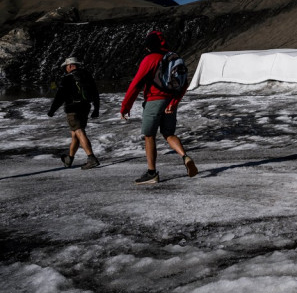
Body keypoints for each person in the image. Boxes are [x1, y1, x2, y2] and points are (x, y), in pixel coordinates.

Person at [120, 30, 197, 184]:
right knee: (168, 134)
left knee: (149, 136)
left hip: (154, 101)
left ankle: (152, 173)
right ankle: (185, 156)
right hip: (170, 101)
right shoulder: (173, 58)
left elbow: (136, 84)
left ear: (149, 45)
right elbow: (184, 85)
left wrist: (125, 106)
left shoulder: (151, 59)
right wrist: (174, 102)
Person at [48, 57, 101, 170]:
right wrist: (96, 109)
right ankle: (69, 159)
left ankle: (91, 158)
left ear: (71, 66)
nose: (66, 69)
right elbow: (95, 93)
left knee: (79, 131)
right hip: (85, 107)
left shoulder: (68, 78)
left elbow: (60, 96)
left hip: (73, 109)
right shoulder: (87, 75)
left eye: (66, 67)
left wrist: (52, 110)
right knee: (75, 134)